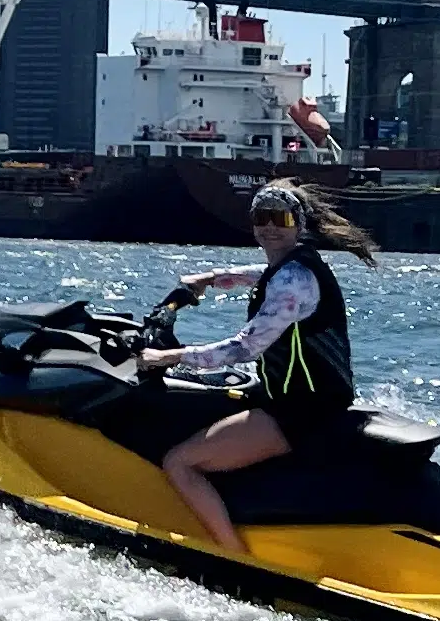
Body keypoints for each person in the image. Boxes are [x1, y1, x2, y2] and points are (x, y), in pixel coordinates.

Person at [130, 177, 379, 560]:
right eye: (261, 217)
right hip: (300, 398)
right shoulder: (292, 266)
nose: (269, 227)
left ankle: (233, 558)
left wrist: (171, 357)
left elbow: (245, 347)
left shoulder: (293, 280)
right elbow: (260, 275)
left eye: (280, 218)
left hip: (301, 411)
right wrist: (210, 279)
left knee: (180, 462)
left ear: (297, 224)